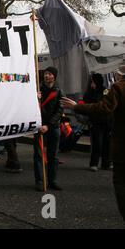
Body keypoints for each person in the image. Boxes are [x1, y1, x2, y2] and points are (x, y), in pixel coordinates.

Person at [61, 65, 125, 221]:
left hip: (122, 150)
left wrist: (77, 106)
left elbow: (103, 108)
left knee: (122, 187)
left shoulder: (119, 88)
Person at [34, 66, 64, 191]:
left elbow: (60, 110)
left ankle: (52, 180)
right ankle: (40, 181)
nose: (47, 76)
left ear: (54, 77)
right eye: (46, 73)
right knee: (39, 155)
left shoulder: (59, 91)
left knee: (54, 155)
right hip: (40, 126)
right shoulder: (37, 90)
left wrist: (49, 125)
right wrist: (35, 98)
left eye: (50, 74)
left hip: (53, 127)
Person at [83, 73, 113, 171]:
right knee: (97, 143)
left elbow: (108, 104)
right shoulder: (90, 92)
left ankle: (106, 163)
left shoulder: (105, 91)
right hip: (95, 122)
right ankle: (94, 163)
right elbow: (86, 102)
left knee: (106, 144)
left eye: (93, 81)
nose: (91, 83)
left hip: (106, 121)